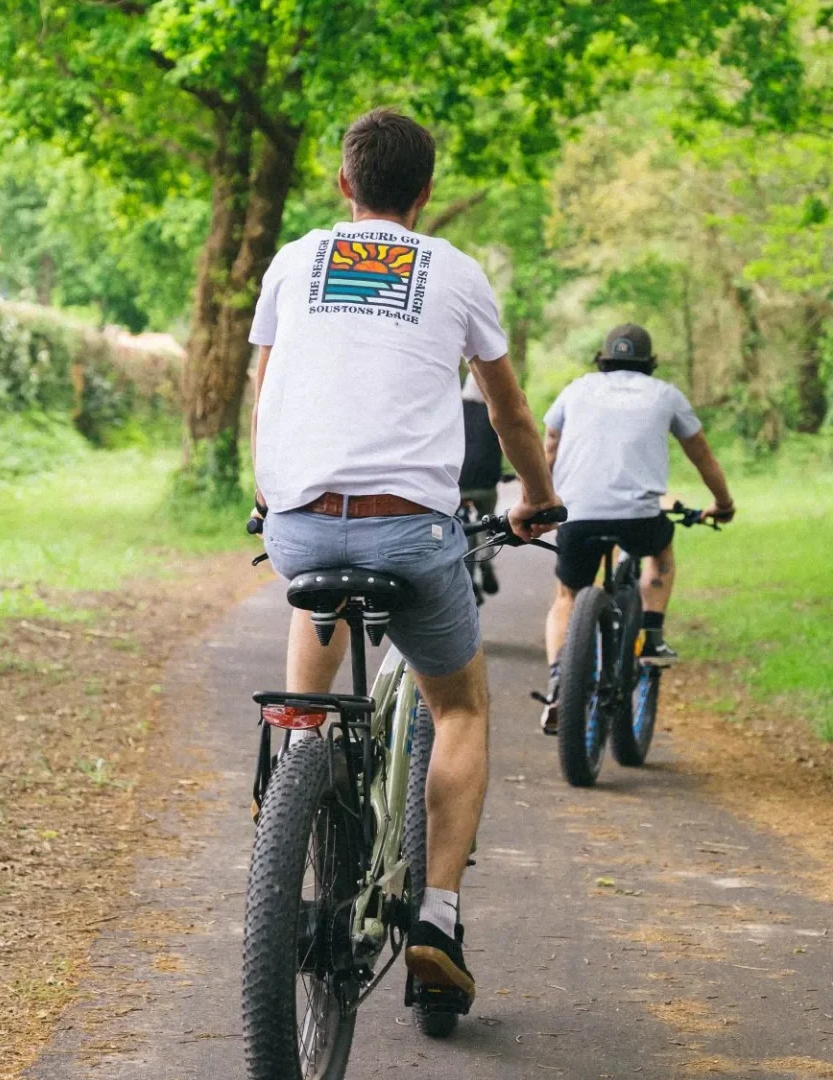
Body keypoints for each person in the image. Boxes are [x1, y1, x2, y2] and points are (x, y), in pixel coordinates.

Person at [247, 107, 562, 1013]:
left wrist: (273, 496)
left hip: (300, 524)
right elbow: (507, 417)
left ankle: (293, 811)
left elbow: (267, 390)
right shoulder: (457, 273)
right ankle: (437, 916)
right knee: (458, 707)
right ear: (425, 195)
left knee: (312, 677)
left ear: (344, 183)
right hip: (411, 534)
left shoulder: (293, 260)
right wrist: (536, 497)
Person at [537, 324, 734, 734]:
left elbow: (549, 448)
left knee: (565, 596)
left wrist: (537, 499)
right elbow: (703, 457)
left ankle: (559, 681)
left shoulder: (575, 390)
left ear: (602, 359)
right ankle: (653, 633)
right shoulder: (666, 395)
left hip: (577, 515)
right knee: (660, 552)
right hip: (640, 518)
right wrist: (723, 504)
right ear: (649, 363)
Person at [458, 373, 504, 597]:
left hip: (458, 484)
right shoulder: (495, 411)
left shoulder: (455, 410)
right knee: (488, 522)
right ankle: (487, 560)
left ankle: (461, 572)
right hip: (486, 484)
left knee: (456, 525)